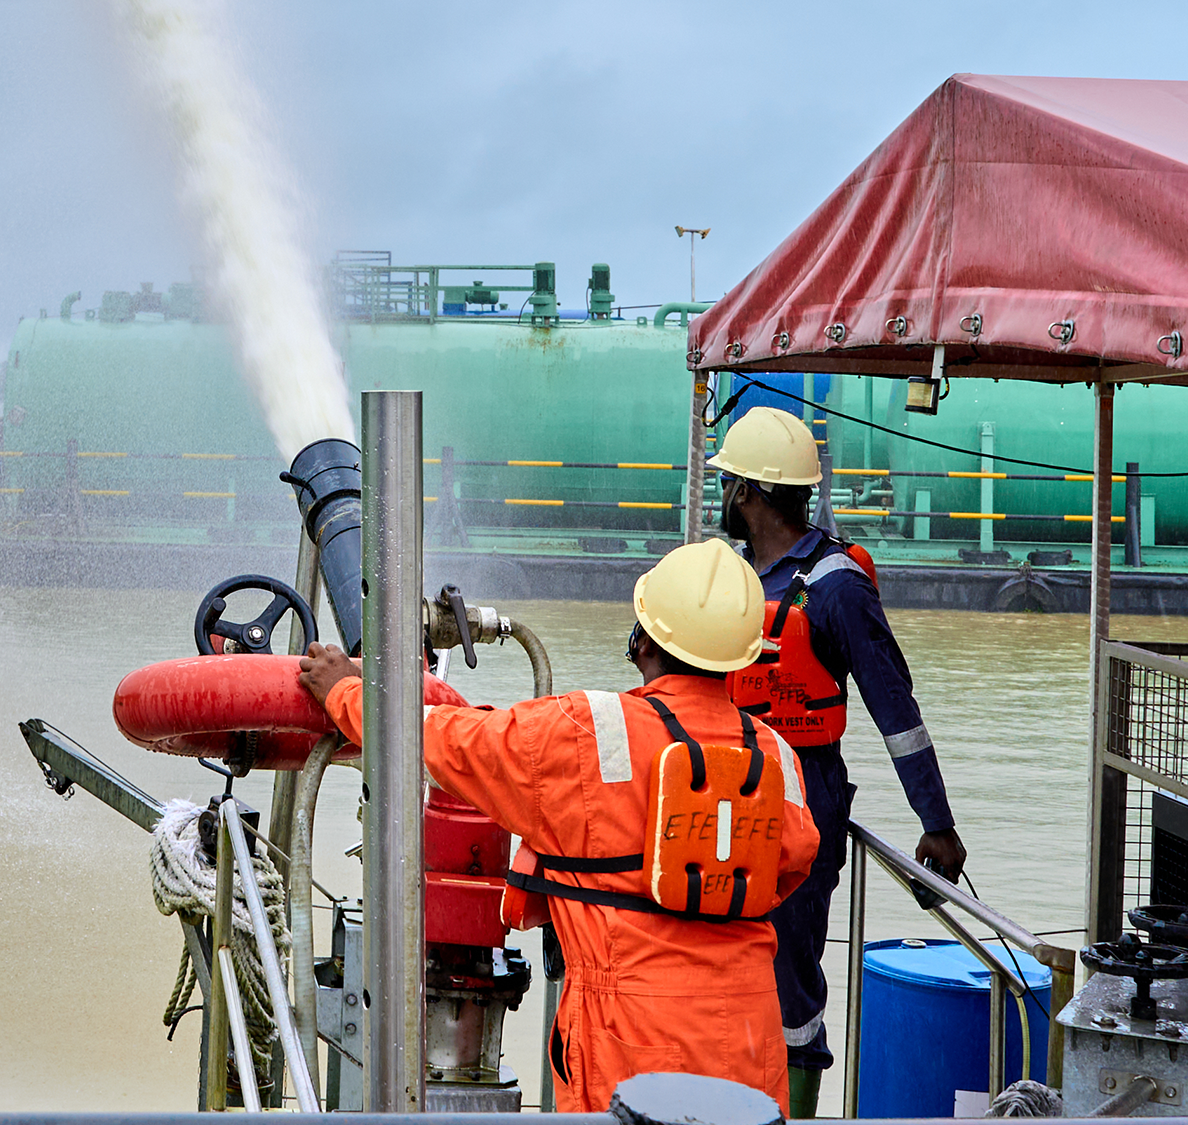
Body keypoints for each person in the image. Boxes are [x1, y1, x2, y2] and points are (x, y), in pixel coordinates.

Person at [298, 538, 820, 1111]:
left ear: (642, 638)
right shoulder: (777, 756)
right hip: (748, 1038)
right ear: (742, 659)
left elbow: (441, 741)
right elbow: (790, 866)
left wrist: (344, 691)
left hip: (629, 1040)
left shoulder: (587, 731)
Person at [709, 402, 967, 1117]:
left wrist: (936, 821)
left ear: (750, 493)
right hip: (725, 795)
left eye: (727, 483)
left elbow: (898, 713)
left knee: (790, 976)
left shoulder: (837, 589)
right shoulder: (732, 577)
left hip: (802, 798)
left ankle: (795, 1109)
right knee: (725, 967)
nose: (722, 496)